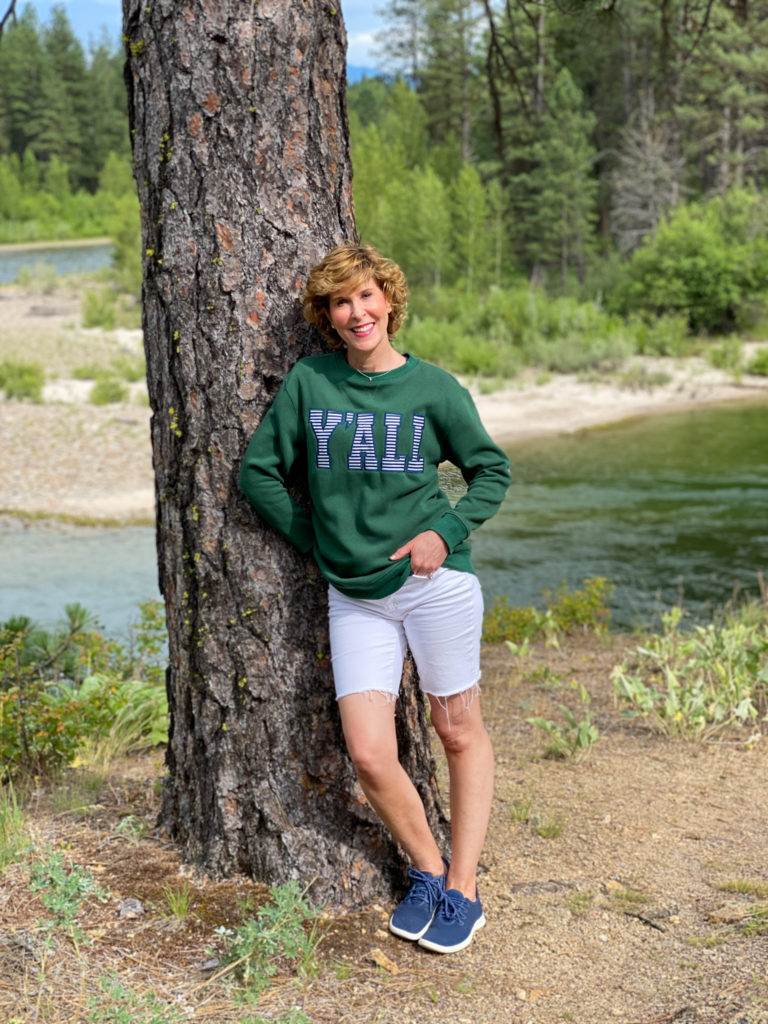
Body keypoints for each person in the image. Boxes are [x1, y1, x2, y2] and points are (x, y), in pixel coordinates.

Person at [239, 243, 510, 954]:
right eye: (339, 301)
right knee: (367, 752)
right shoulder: (310, 383)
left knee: (456, 730)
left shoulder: (433, 389)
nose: (356, 312)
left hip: (435, 586)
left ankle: (464, 887)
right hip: (353, 594)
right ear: (326, 316)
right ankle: (427, 866)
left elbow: (491, 471)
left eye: (366, 296)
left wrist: (443, 533)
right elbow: (259, 474)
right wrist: (318, 539)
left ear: (388, 301)